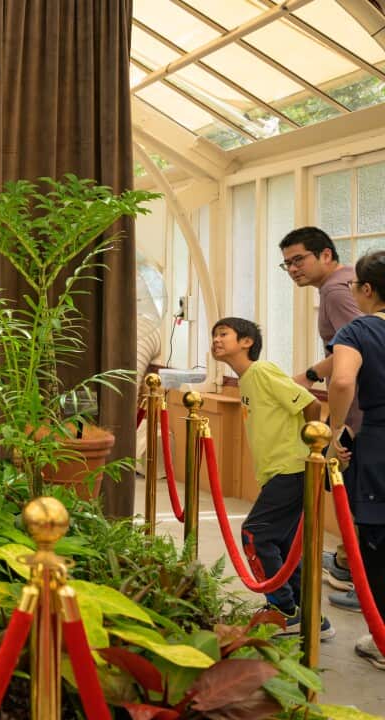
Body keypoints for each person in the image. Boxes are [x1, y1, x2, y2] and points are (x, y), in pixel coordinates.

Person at [210, 317, 332, 639]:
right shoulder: (247, 380)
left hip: (291, 468)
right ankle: (307, 616)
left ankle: (283, 609)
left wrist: (312, 451)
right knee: (284, 542)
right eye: (214, 336)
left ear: (247, 341)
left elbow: (308, 403)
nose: (216, 340)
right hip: (280, 471)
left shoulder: (261, 372)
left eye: (223, 334)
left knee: (256, 533)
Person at [280, 226, 363, 608]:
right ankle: (348, 564)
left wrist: (338, 425)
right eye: (287, 264)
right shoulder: (343, 285)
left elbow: (356, 350)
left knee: (356, 492)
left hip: (360, 410)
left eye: (299, 259)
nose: (293, 268)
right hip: (357, 407)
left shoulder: (334, 291)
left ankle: (358, 581)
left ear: (326, 255)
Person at [326, 250, 385, 669]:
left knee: (378, 542)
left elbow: (343, 378)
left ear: (367, 289)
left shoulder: (358, 330)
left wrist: (334, 432)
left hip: (379, 442)